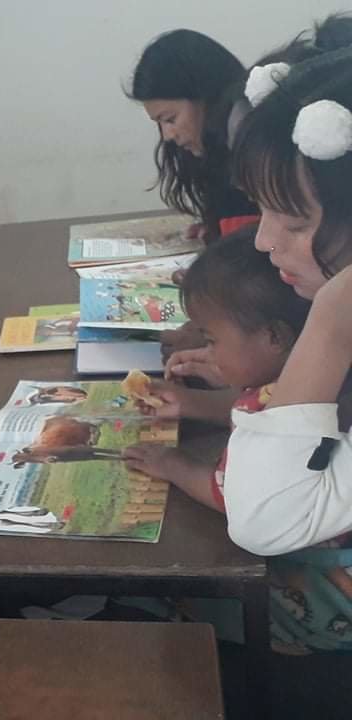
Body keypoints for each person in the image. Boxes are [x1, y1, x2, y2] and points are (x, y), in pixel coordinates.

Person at [145, 49, 352, 653]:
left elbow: (261, 520)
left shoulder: (333, 319)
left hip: (326, 606)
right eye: (263, 210)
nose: (263, 241)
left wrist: (331, 322)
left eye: (294, 222)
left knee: (159, 604)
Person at [123, 228, 309, 513]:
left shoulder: (278, 415)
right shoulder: (300, 381)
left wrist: (173, 464)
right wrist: (190, 402)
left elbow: (234, 496)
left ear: (274, 337)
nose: (207, 353)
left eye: (211, 341)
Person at [128, 30, 258, 242]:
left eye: (170, 119)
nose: (167, 136)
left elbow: (262, 247)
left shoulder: (252, 146)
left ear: (206, 97)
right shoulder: (218, 155)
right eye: (159, 124)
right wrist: (217, 227)